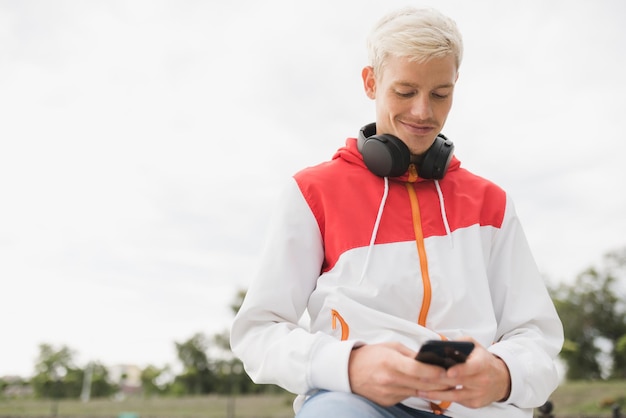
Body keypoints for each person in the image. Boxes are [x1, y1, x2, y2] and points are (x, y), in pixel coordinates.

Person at [230, 6, 563, 418]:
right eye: (405, 92)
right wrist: (348, 366)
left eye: (440, 94)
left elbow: (536, 337)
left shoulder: (490, 203)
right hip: (355, 404)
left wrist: (504, 373)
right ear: (371, 82)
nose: (423, 112)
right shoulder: (312, 192)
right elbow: (258, 332)